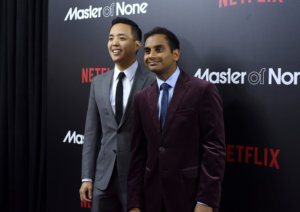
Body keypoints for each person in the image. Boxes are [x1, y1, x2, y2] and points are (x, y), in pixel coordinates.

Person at [127, 27, 226, 212]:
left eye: (159, 49)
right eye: (147, 51)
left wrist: (206, 201)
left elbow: (214, 149)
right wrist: (134, 204)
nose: (151, 55)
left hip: (189, 197)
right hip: (152, 198)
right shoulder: (141, 98)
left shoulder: (202, 90)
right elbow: (137, 154)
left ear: (176, 54)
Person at [79, 17, 154, 212]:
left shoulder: (153, 81)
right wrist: (87, 177)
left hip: (138, 180)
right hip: (103, 181)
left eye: (121, 38)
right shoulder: (98, 82)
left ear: (138, 44)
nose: (114, 43)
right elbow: (91, 133)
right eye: (110, 38)